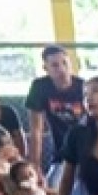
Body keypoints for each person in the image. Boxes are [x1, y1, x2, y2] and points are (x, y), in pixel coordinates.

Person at [25, 45, 85, 183]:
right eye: (55, 65)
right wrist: (35, 165)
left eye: (65, 63)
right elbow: (36, 130)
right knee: (53, 187)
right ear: (46, 69)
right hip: (61, 153)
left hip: (85, 151)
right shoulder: (40, 87)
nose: (62, 69)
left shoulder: (83, 87)